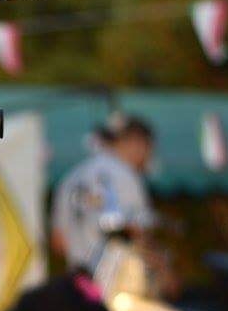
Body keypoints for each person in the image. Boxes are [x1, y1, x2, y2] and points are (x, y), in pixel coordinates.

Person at [51, 113, 156, 270]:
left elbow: (58, 243)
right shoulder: (127, 177)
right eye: (149, 149)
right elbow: (139, 234)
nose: (148, 157)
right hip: (117, 278)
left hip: (78, 279)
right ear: (136, 143)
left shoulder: (71, 178)